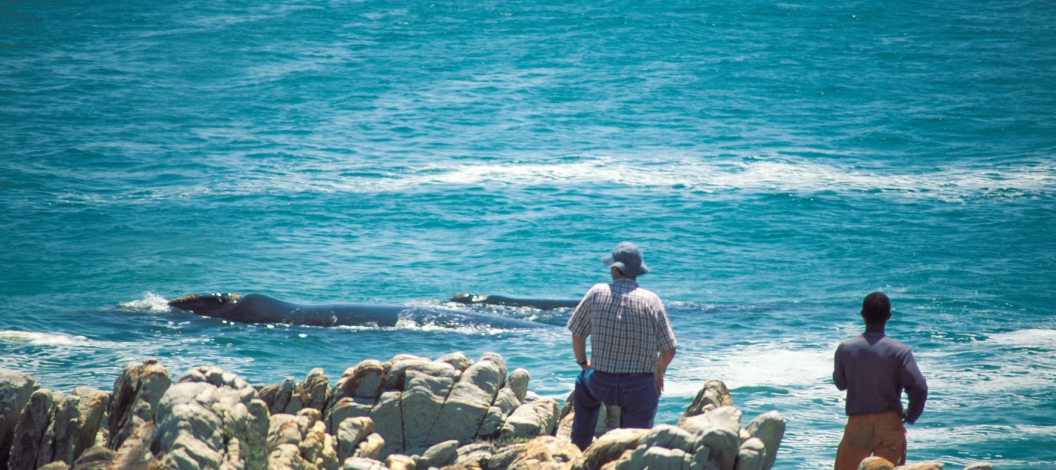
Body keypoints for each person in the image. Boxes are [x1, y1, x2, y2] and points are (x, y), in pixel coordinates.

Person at [566, 241, 678, 451]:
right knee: (634, 444)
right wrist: (658, 371)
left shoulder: (596, 292)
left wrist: (583, 363)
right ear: (636, 271)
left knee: (583, 383)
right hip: (639, 386)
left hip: (600, 383)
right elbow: (669, 349)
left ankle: (579, 448)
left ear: (615, 269)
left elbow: (577, 333)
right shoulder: (651, 300)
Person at [833, 292, 928, 469]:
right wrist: (911, 414)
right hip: (889, 422)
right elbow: (919, 387)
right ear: (888, 316)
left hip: (858, 423)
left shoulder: (845, 349)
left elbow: (840, 384)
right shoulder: (900, 351)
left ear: (862, 314)